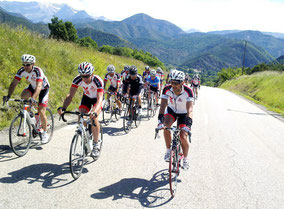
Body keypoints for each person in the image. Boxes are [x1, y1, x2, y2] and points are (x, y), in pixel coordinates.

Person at [57, 62, 104, 158]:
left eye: (87, 76)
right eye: (82, 76)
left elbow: (99, 100)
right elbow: (70, 95)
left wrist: (94, 112)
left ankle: (96, 144)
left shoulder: (98, 81)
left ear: (92, 74)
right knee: (81, 115)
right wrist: (64, 108)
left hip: (97, 100)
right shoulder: (77, 79)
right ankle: (85, 137)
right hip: (86, 97)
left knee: (94, 118)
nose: (85, 79)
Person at [3, 54, 50, 144]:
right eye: (24, 64)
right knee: (23, 96)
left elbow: (39, 86)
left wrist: (33, 98)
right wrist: (8, 95)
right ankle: (31, 114)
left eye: (28, 64)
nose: (25, 66)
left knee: (41, 111)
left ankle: (44, 132)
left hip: (44, 88)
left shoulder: (37, 71)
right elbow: (14, 83)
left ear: (33, 64)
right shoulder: (21, 70)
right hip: (32, 86)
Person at [157, 70, 194, 170]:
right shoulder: (166, 89)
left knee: (183, 136)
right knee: (166, 127)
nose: (173, 85)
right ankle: (168, 150)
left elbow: (190, 109)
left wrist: (189, 124)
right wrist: (160, 119)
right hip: (172, 110)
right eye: (171, 82)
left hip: (183, 114)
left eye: (176, 83)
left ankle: (185, 159)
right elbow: (163, 105)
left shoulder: (188, 91)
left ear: (182, 82)